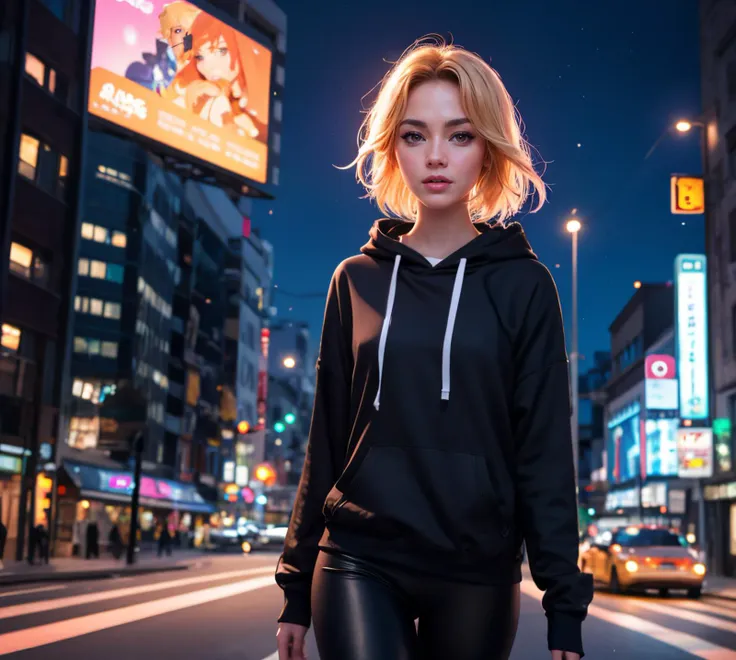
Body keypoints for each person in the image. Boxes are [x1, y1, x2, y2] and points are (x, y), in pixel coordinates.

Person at [274, 37, 594, 660]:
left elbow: (545, 452)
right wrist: (293, 588)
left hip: (477, 566)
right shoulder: (356, 279)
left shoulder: (525, 284)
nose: (437, 157)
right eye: (416, 136)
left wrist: (563, 607)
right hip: (357, 559)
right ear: (393, 147)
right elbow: (327, 437)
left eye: (461, 135)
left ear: (489, 149)